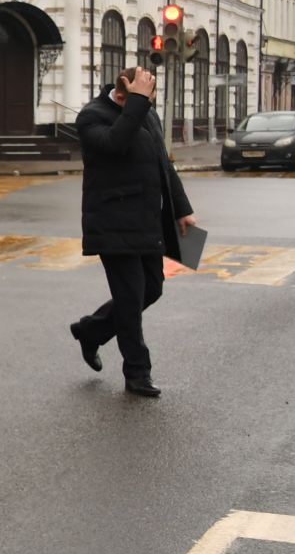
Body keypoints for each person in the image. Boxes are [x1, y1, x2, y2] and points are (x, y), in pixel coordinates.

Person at [70, 66, 199, 399]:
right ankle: (137, 371)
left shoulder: (146, 113)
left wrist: (182, 208)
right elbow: (116, 144)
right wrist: (138, 104)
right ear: (124, 94)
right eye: (144, 95)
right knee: (130, 298)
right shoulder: (91, 117)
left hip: (147, 221)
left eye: (151, 96)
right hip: (112, 222)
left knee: (152, 289)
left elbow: (162, 163)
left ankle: (91, 330)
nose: (150, 101)